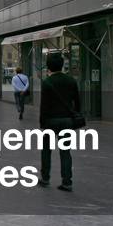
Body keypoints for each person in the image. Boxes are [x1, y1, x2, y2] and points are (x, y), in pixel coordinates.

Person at [38, 52, 81, 191]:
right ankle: (67, 181)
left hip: (50, 121)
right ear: (62, 66)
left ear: (49, 66)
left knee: (46, 150)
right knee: (65, 151)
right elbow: (77, 103)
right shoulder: (71, 81)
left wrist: (42, 124)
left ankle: (45, 178)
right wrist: (75, 117)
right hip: (67, 120)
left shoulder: (47, 82)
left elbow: (44, 106)